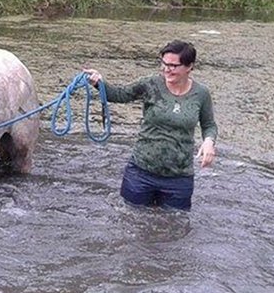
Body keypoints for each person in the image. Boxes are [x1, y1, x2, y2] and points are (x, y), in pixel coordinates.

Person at [84, 40, 218, 210]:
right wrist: (98, 83)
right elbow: (118, 94)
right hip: (141, 173)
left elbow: (209, 125)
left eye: (173, 65)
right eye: (164, 63)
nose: (166, 69)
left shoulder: (201, 93)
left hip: (179, 177)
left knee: (175, 226)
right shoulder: (150, 84)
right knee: (130, 221)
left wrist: (209, 142)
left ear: (189, 66)